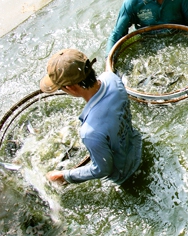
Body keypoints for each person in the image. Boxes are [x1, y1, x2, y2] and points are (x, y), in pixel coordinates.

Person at [40, 48, 142, 186]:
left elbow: (103, 169)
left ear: (71, 88)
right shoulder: (112, 79)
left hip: (124, 174)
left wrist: (64, 176)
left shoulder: (89, 133)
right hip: (136, 146)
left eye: (61, 88)